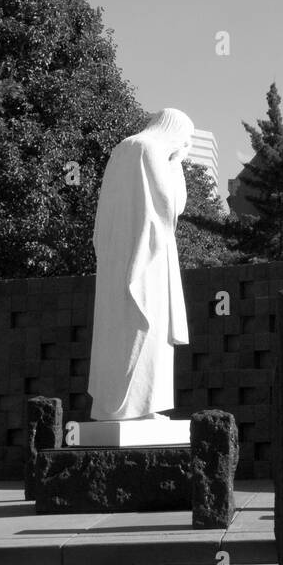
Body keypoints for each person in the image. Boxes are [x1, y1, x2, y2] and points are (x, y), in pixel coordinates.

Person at [86, 108, 193, 426]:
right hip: (147, 257)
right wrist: (176, 163)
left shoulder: (123, 149)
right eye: (185, 139)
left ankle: (115, 408)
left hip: (118, 257)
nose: (185, 146)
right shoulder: (149, 149)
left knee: (118, 331)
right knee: (145, 328)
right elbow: (170, 205)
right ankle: (139, 408)